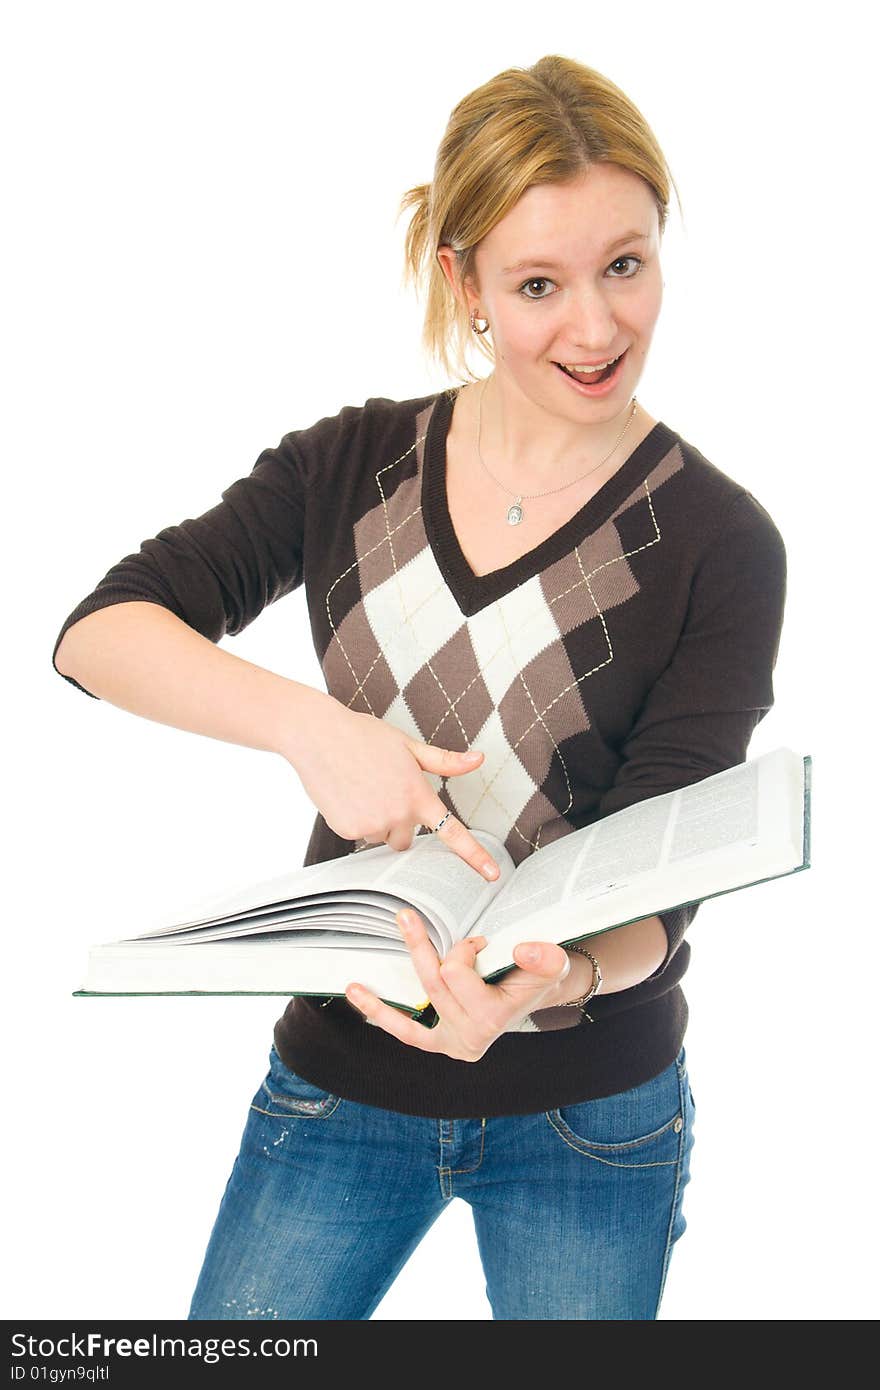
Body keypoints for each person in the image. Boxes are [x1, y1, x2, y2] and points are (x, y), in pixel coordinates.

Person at [52, 54, 787, 1320]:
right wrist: (309, 729)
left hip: (592, 1115)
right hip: (339, 1084)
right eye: (540, 284)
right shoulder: (352, 464)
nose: (597, 328)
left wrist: (560, 980)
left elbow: (668, 863)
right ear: (465, 282)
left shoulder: (721, 540)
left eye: (626, 264)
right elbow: (99, 632)